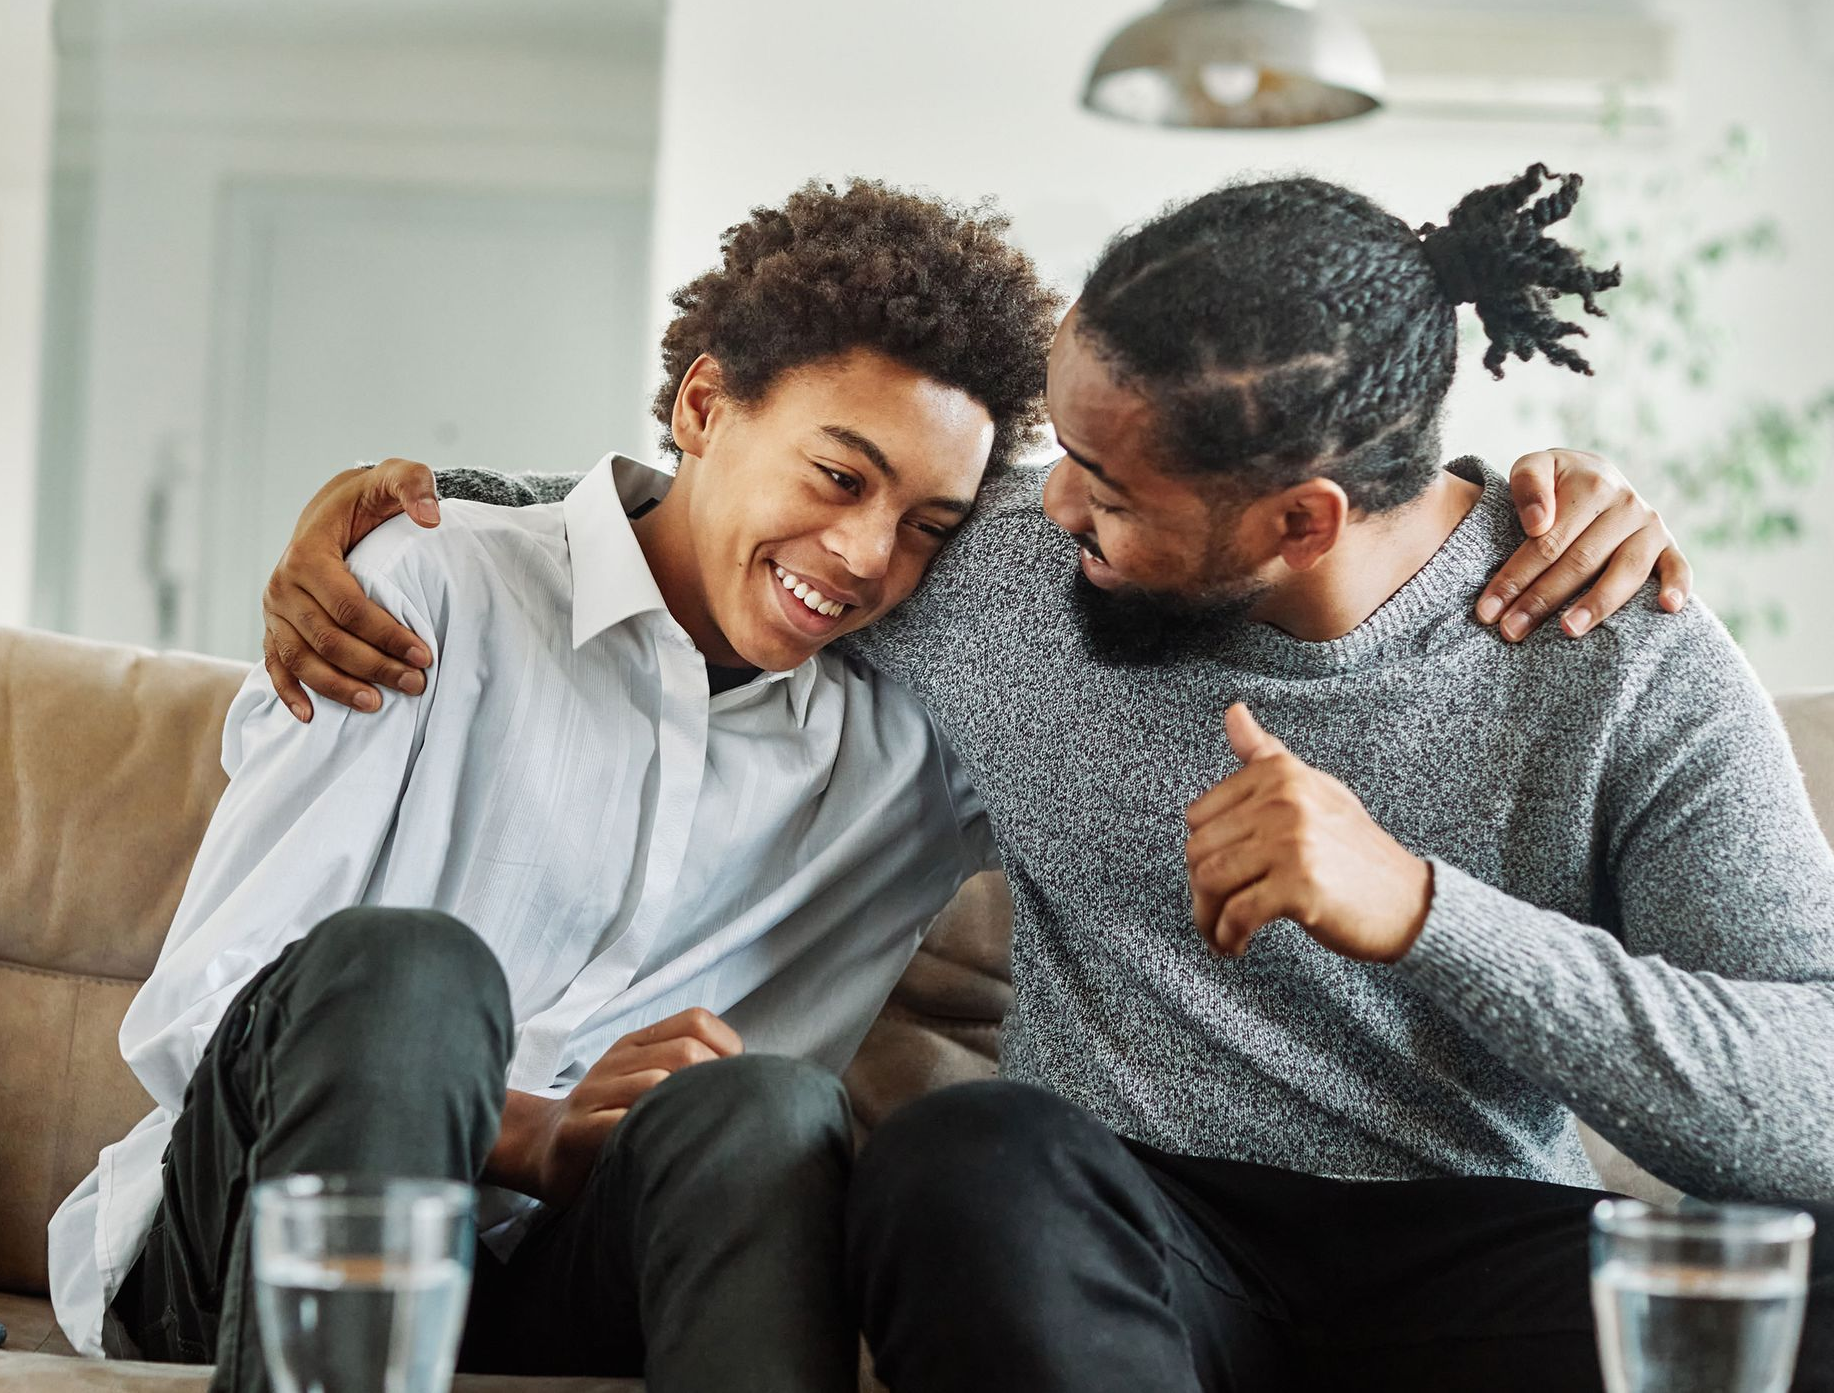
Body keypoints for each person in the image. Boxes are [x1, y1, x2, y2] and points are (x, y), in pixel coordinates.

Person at [250, 168, 1811, 1391]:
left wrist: (1420, 911)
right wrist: (407, 510)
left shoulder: (1616, 648)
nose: (1046, 506)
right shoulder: (1003, 570)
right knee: (957, 1158)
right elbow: (728, 521)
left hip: (1466, 1249)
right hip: (1113, 1233)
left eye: (1107, 487)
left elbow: (1806, 1102)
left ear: (1300, 521)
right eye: (1055, 450)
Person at [48, 179, 1062, 1393]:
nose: (866, 556)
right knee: (412, 970)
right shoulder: (425, 588)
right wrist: (531, 1131)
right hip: (258, 1244)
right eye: (840, 477)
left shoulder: (927, 746)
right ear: (703, 405)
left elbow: (1129, 567)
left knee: (769, 1109)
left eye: (928, 526)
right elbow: (205, 1009)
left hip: (567, 1282)